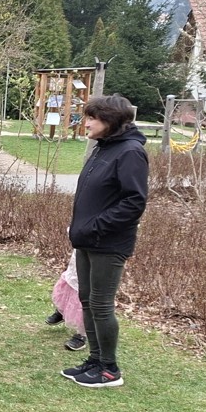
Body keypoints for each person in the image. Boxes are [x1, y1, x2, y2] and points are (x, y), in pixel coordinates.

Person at [64, 95, 149, 388]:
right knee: (87, 300)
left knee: (101, 305)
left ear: (109, 121)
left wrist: (95, 227)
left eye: (92, 118)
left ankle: (110, 370)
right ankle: (95, 360)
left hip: (108, 242)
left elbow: (134, 202)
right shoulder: (104, 147)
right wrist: (81, 229)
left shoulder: (130, 152)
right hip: (87, 239)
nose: (85, 123)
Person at [47, 250, 87, 352]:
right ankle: (63, 311)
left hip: (101, 252)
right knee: (71, 279)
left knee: (86, 289)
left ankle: (82, 334)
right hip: (83, 247)